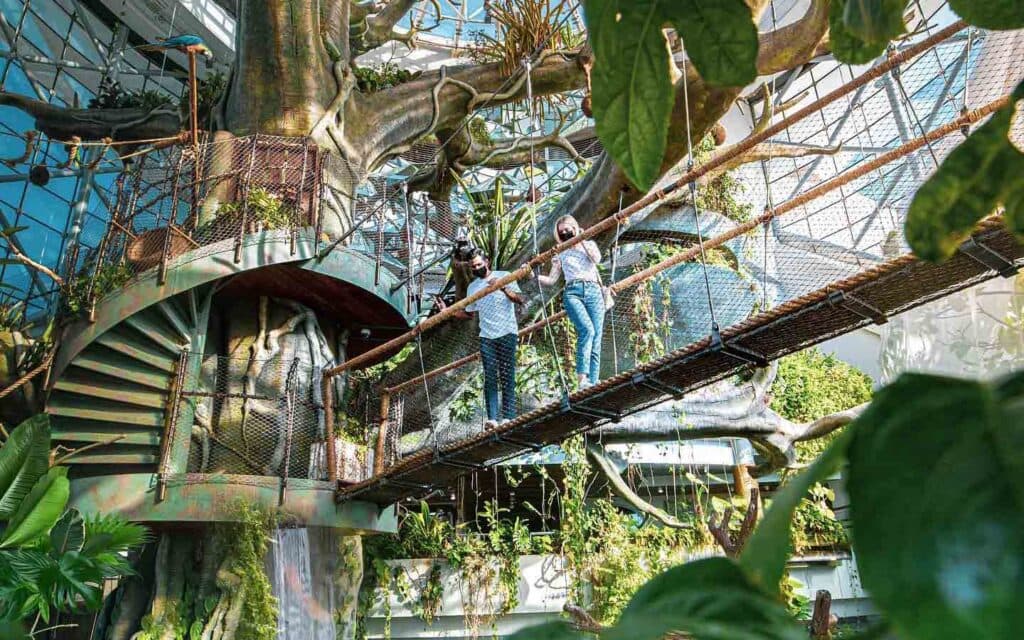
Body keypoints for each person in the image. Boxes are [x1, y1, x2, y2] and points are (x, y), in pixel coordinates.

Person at [436, 250, 525, 426]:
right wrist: (447, 312)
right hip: (487, 336)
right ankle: (492, 419)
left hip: (507, 332)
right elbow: (468, 313)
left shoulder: (504, 275)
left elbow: (519, 299)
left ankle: (509, 417)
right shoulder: (473, 287)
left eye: (479, 264)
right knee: (490, 376)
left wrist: (502, 286)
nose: (477, 268)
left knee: (507, 374)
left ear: (487, 261)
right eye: (473, 266)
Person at [534, 215, 606, 388]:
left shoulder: (588, 245)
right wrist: (533, 276)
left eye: (568, 229)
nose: (566, 232)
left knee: (596, 337)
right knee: (587, 330)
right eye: (562, 231)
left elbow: (597, 260)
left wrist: (581, 240)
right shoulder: (560, 253)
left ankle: (593, 382)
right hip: (572, 291)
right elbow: (552, 280)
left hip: (593, 290)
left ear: (575, 227)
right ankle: (582, 379)